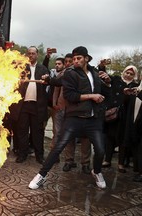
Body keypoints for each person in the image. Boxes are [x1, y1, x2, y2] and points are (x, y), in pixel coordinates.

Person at [29, 46, 111, 190]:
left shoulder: (95, 73)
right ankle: (41, 175)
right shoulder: (70, 73)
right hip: (74, 118)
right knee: (58, 147)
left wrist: (108, 81)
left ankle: (97, 171)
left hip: (93, 119)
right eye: (73, 59)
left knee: (100, 150)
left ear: (86, 58)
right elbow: (70, 96)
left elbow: (105, 92)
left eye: (79, 58)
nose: (75, 61)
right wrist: (92, 96)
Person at [14, 46, 49, 164]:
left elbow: (48, 83)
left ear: (37, 55)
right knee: (22, 131)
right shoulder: (22, 68)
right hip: (23, 105)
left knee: (37, 132)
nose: (31, 55)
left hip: (37, 106)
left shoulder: (43, 69)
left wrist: (46, 79)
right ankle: (22, 154)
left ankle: (40, 156)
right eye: (29, 53)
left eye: (33, 53)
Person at [102, 65, 138, 173]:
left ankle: (121, 163)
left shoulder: (135, 85)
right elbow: (107, 78)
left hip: (126, 116)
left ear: (134, 75)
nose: (128, 75)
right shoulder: (117, 80)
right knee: (110, 137)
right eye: (127, 72)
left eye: (131, 74)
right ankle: (107, 160)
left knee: (122, 138)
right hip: (113, 113)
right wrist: (102, 67)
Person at [123, 81, 142, 182]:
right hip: (135, 121)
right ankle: (138, 169)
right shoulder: (137, 87)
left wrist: (139, 93)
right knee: (136, 147)